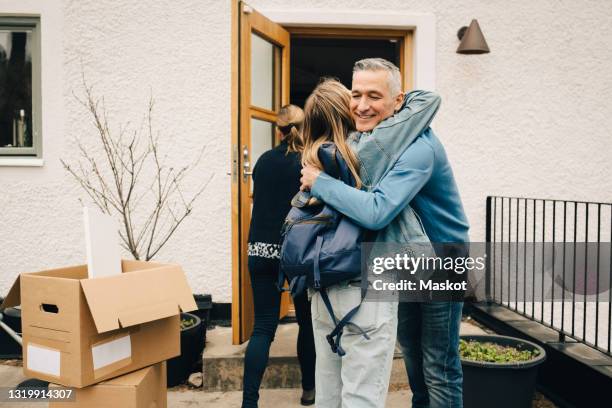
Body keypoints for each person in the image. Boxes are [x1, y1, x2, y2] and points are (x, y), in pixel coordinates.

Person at [300, 58, 470, 408]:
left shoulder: (419, 148)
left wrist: (322, 183)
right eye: (356, 94)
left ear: (398, 102)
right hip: (403, 258)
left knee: (439, 365)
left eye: (374, 96)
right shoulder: (372, 139)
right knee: (411, 356)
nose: (362, 106)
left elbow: (377, 211)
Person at [242, 105, 316, 407]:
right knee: (307, 323)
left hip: (260, 250)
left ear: (278, 130)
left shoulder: (262, 162)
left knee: (263, 327)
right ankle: (309, 391)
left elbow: (259, 202)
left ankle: (249, 402)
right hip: (296, 253)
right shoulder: (308, 164)